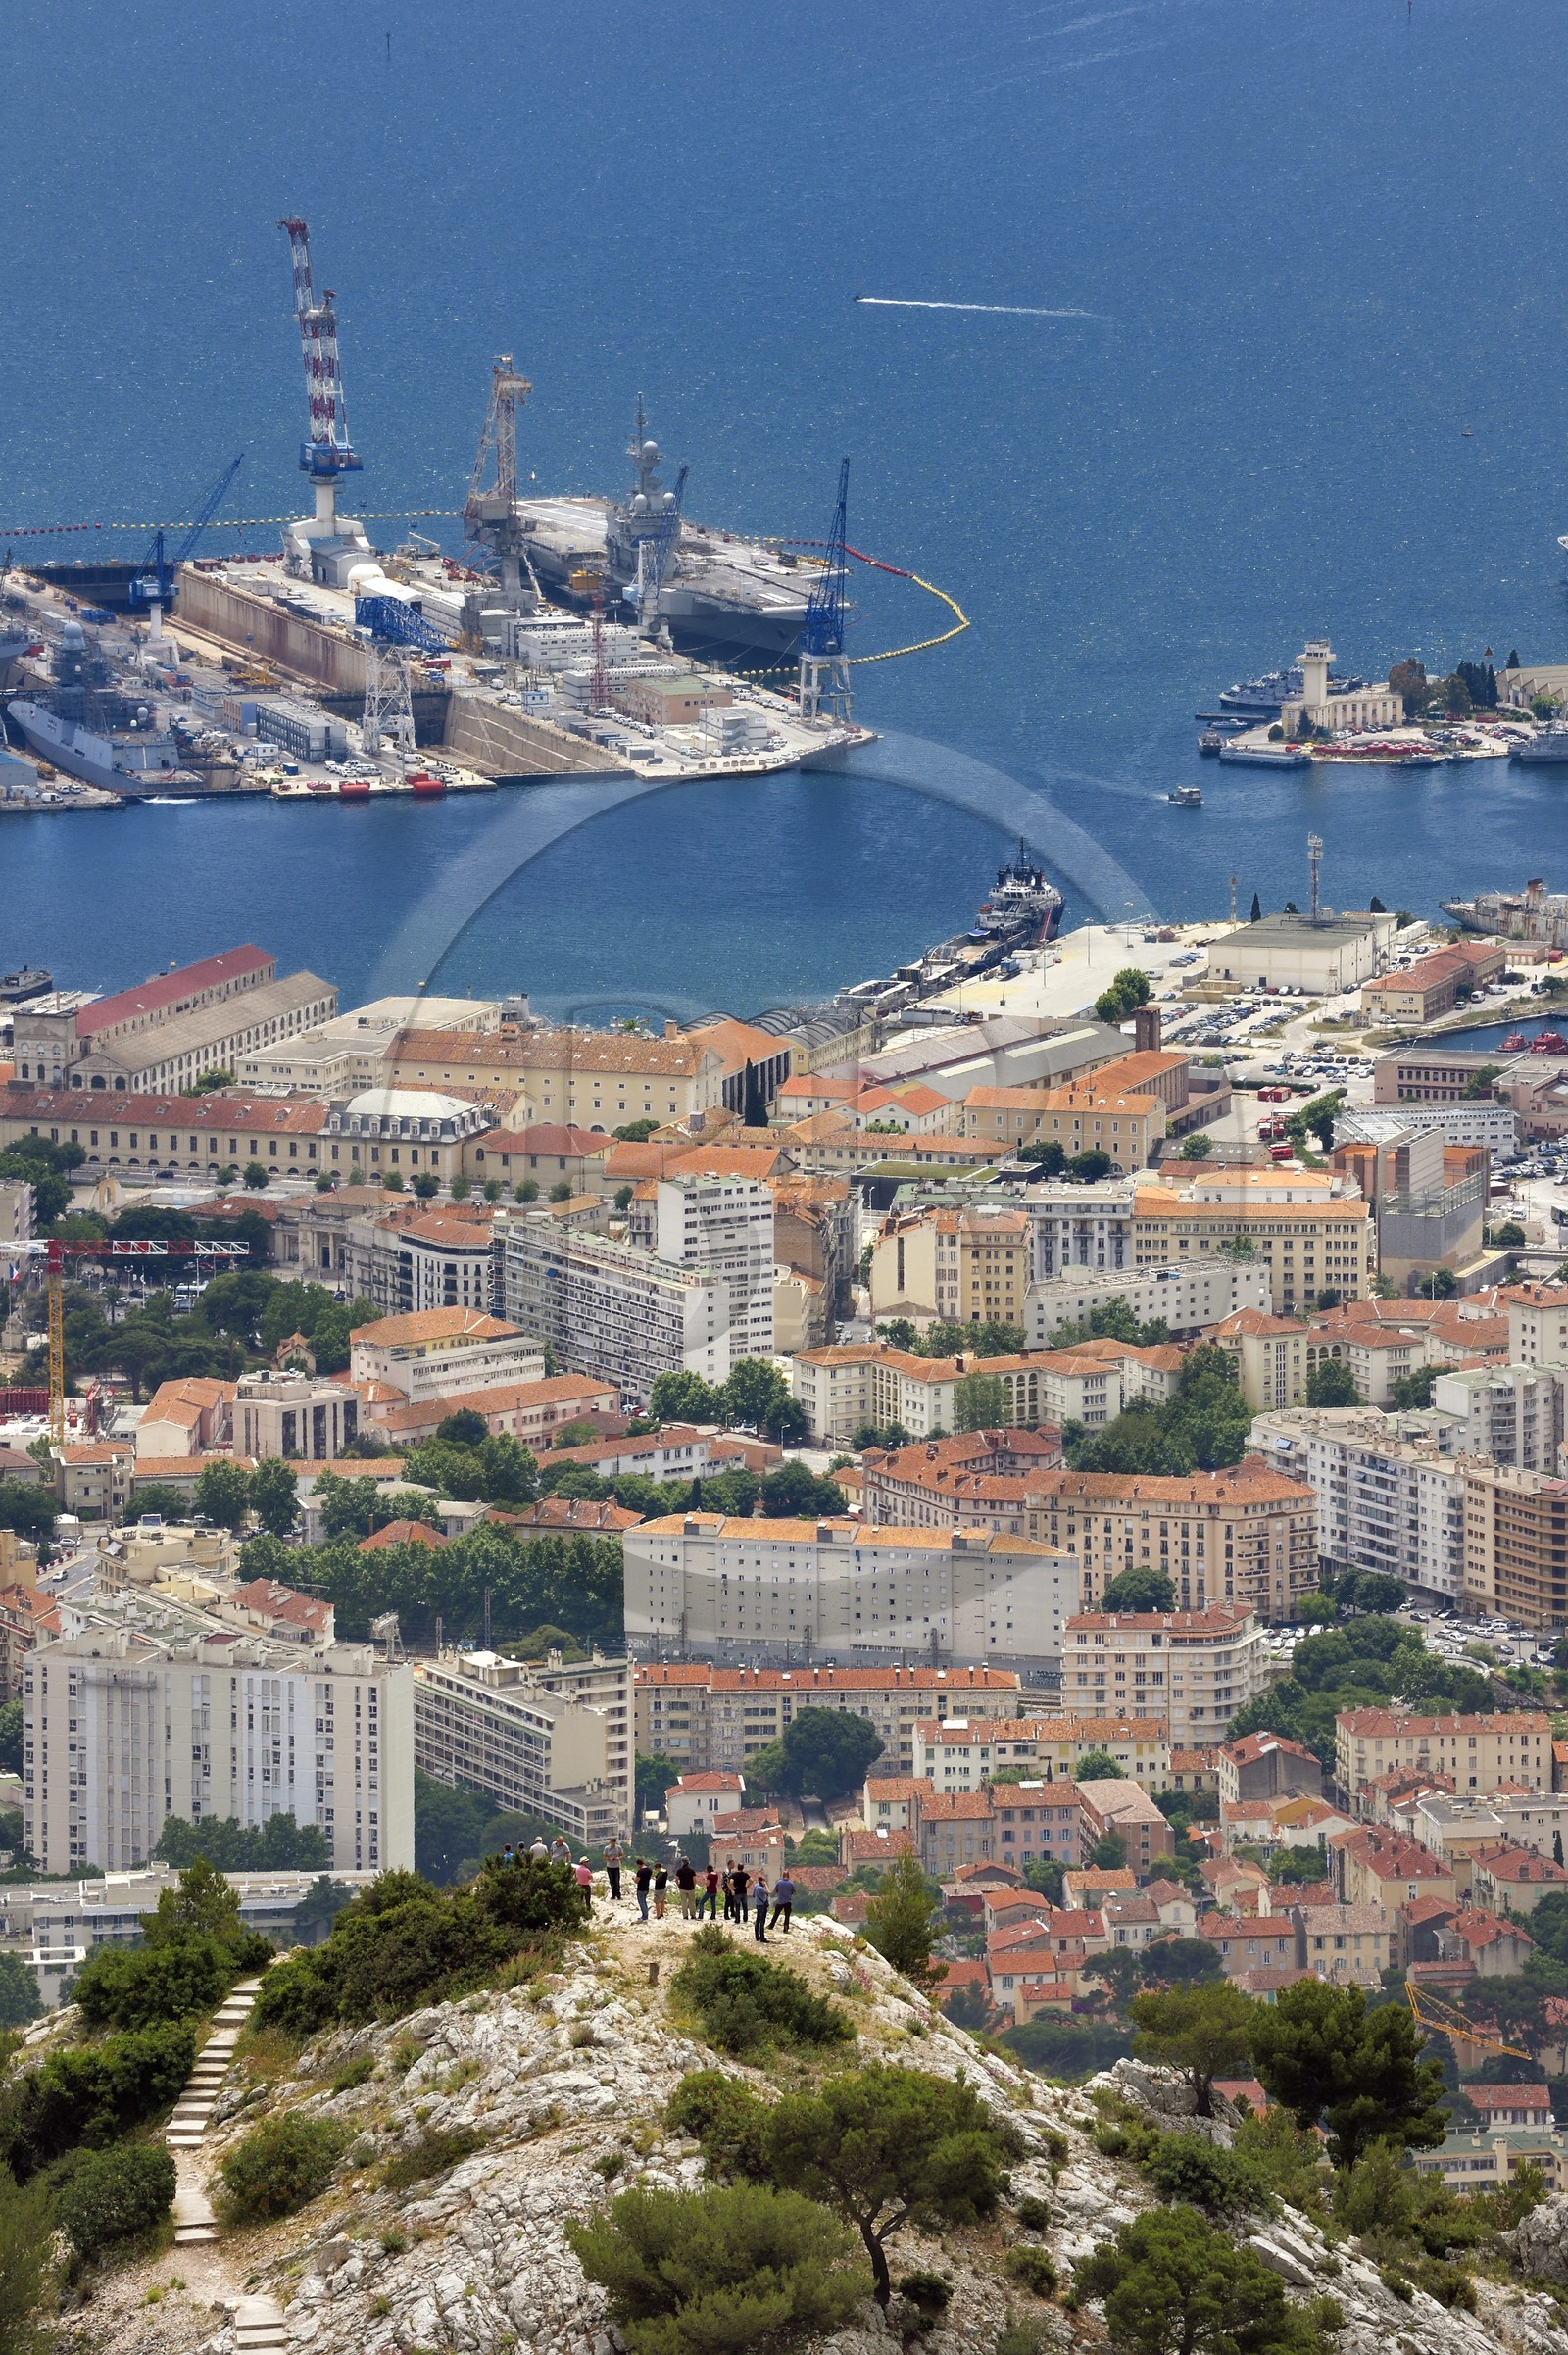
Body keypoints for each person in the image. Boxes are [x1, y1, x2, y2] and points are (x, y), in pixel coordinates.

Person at [768, 1868, 796, 1934]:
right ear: (788, 1876)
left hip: (780, 1901)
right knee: (787, 1916)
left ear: (783, 1876)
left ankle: (771, 1925)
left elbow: (775, 1891)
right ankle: (785, 1928)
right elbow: (794, 1893)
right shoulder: (791, 1883)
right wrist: (790, 1893)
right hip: (788, 1902)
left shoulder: (779, 1882)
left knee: (776, 1914)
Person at [675, 1853, 698, 1920]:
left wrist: (678, 1885)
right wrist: (693, 1886)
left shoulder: (679, 1870)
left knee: (684, 1902)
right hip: (690, 1888)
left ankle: (685, 1916)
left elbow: (676, 1879)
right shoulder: (692, 1870)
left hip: (682, 1888)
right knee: (692, 1902)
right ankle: (693, 1915)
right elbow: (695, 1880)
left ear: (682, 1862)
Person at [751, 1870, 770, 1941]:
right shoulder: (761, 1888)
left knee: (757, 1921)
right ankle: (762, 1937)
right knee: (762, 1922)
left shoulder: (756, 1886)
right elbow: (769, 1892)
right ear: (761, 1881)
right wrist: (766, 1885)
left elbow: (753, 1895)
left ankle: (757, 1936)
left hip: (758, 1905)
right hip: (762, 1906)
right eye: (764, 1881)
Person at [603, 1836, 623, 1903]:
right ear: (610, 1842)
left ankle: (618, 1895)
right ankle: (613, 1894)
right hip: (609, 1866)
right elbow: (604, 1856)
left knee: (617, 1881)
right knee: (611, 1881)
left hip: (616, 1866)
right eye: (612, 1843)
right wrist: (609, 1859)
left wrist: (618, 1858)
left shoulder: (618, 1848)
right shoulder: (607, 1848)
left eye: (614, 1843)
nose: (613, 1844)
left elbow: (622, 1855)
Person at [634, 1857, 652, 1921]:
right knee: (644, 1902)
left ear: (638, 1864)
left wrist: (634, 1878)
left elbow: (636, 1881)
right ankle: (646, 1914)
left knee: (641, 1902)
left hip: (641, 1889)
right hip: (646, 1888)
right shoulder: (649, 1870)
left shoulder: (640, 1871)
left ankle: (644, 1916)